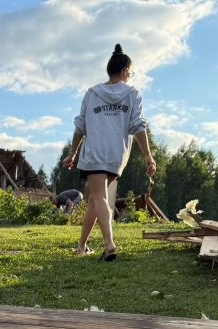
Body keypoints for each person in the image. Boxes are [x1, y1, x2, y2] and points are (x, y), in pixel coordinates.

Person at [62, 44, 156, 261]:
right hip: (116, 155)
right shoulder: (132, 94)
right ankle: (81, 246)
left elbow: (80, 126)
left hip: (95, 153)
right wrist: (147, 155)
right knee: (96, 201)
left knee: (99, 198)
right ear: (125, 71)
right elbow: (138, 126)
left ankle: (109, 244)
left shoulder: (92, 93)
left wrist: (72, 153)